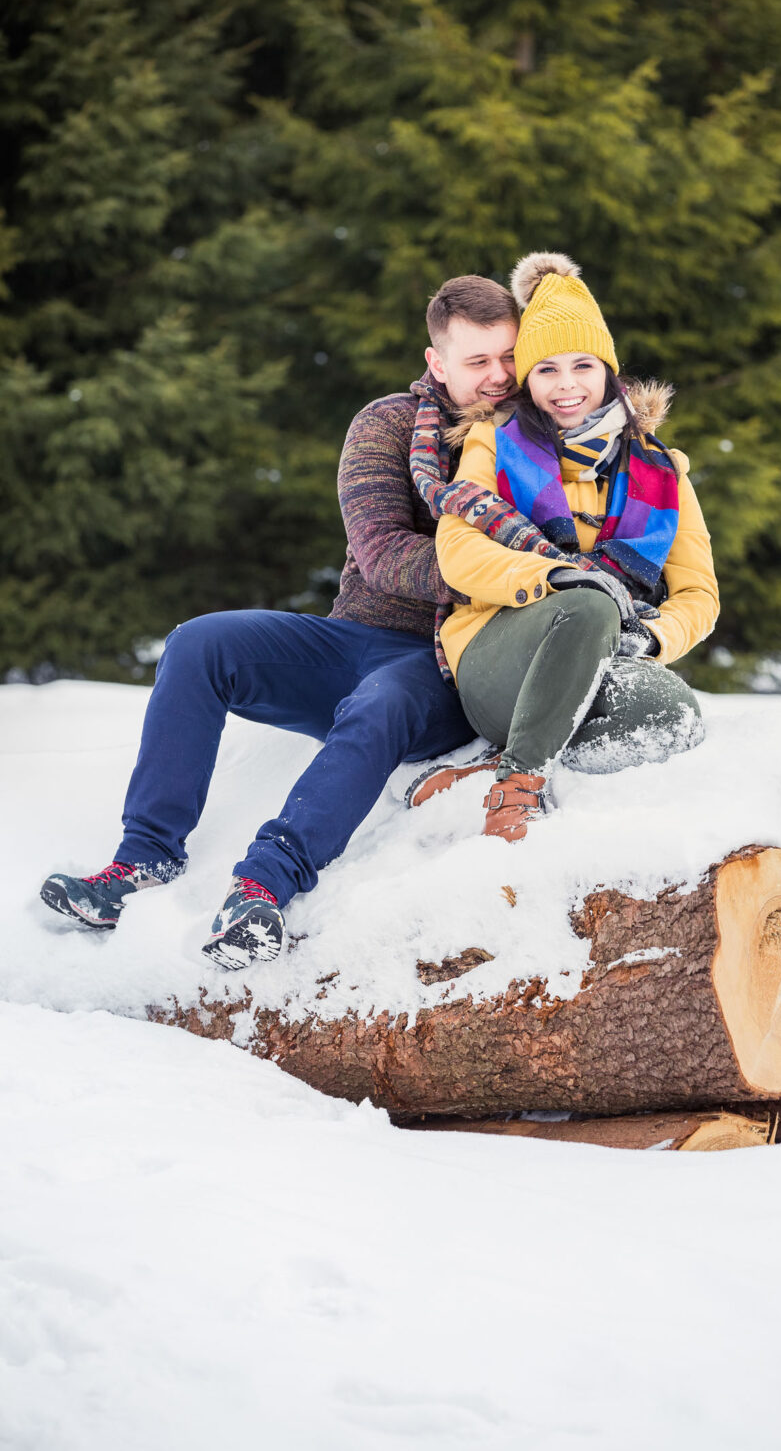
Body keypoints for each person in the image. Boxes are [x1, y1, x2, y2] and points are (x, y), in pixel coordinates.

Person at [40, 275, 521, 966]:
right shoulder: (387, 425)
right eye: (479, 361)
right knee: (201, 643)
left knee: (382, 699)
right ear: (437, 361)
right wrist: (498, 568)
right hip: (356, 636)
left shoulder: (538, 436)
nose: (499, 376)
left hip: (453, 661)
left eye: (509, 357)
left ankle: (262, 888)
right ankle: (142, 859)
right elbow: (383, 553)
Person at [405, 252, 719, 840]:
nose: (567, 385)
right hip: (497, 658)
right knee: (591, 599)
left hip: (606, 658)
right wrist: (557, 579)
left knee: (673, 714)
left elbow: (699, 594)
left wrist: (652, 636)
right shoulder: (493, 442)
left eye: (582, 365)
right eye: (546, 369)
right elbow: (461, 554)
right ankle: (515, 794)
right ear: (527, 379)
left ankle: (489, 768)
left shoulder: (663, 470)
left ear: (609, 371)